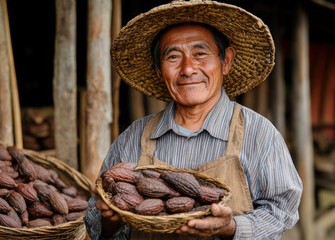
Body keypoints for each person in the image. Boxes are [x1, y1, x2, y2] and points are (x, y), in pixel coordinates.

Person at [84, 1, 303, 239]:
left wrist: (232, 228)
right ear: (159, 70)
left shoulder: (258, 134)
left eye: (200, 54)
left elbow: (280, 213)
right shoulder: (134, 137)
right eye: (173, 57)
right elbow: (96, 224)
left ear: (226, 61)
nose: (188, 69)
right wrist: (109, 220)